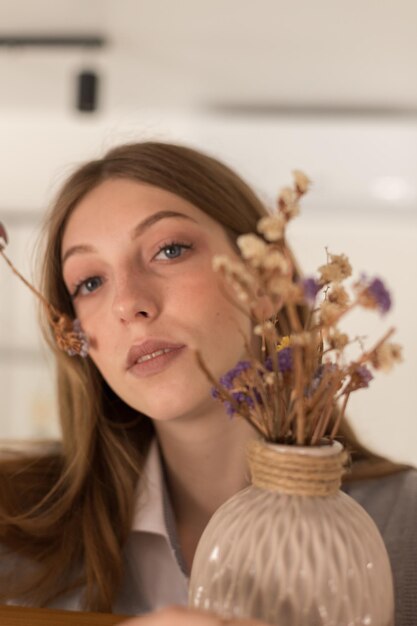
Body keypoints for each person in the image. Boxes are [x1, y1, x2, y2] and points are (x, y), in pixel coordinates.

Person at [0, 142, 415, 626]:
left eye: (169, 250)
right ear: (73, 333)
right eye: (90, 282)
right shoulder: (11, 530)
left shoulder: (406, 527)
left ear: (266, 276)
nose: (128, 304)